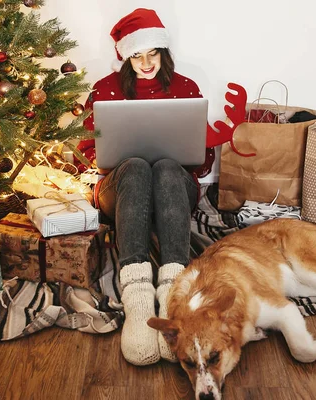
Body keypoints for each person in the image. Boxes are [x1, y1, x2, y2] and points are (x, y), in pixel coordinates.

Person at [79, 8, 214, 366]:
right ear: (125, 56)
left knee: (168, 166)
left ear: (163, 53)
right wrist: (105, 157)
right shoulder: (105, 89)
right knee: (137, 166)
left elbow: (203, 161)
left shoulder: (185, 87)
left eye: (152, 54)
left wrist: (199, 149)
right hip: (122, 188)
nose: (146, 63)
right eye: (137, 55)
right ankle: (138, 301)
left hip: (173, 187)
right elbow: (85, 150)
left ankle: (172, 293)